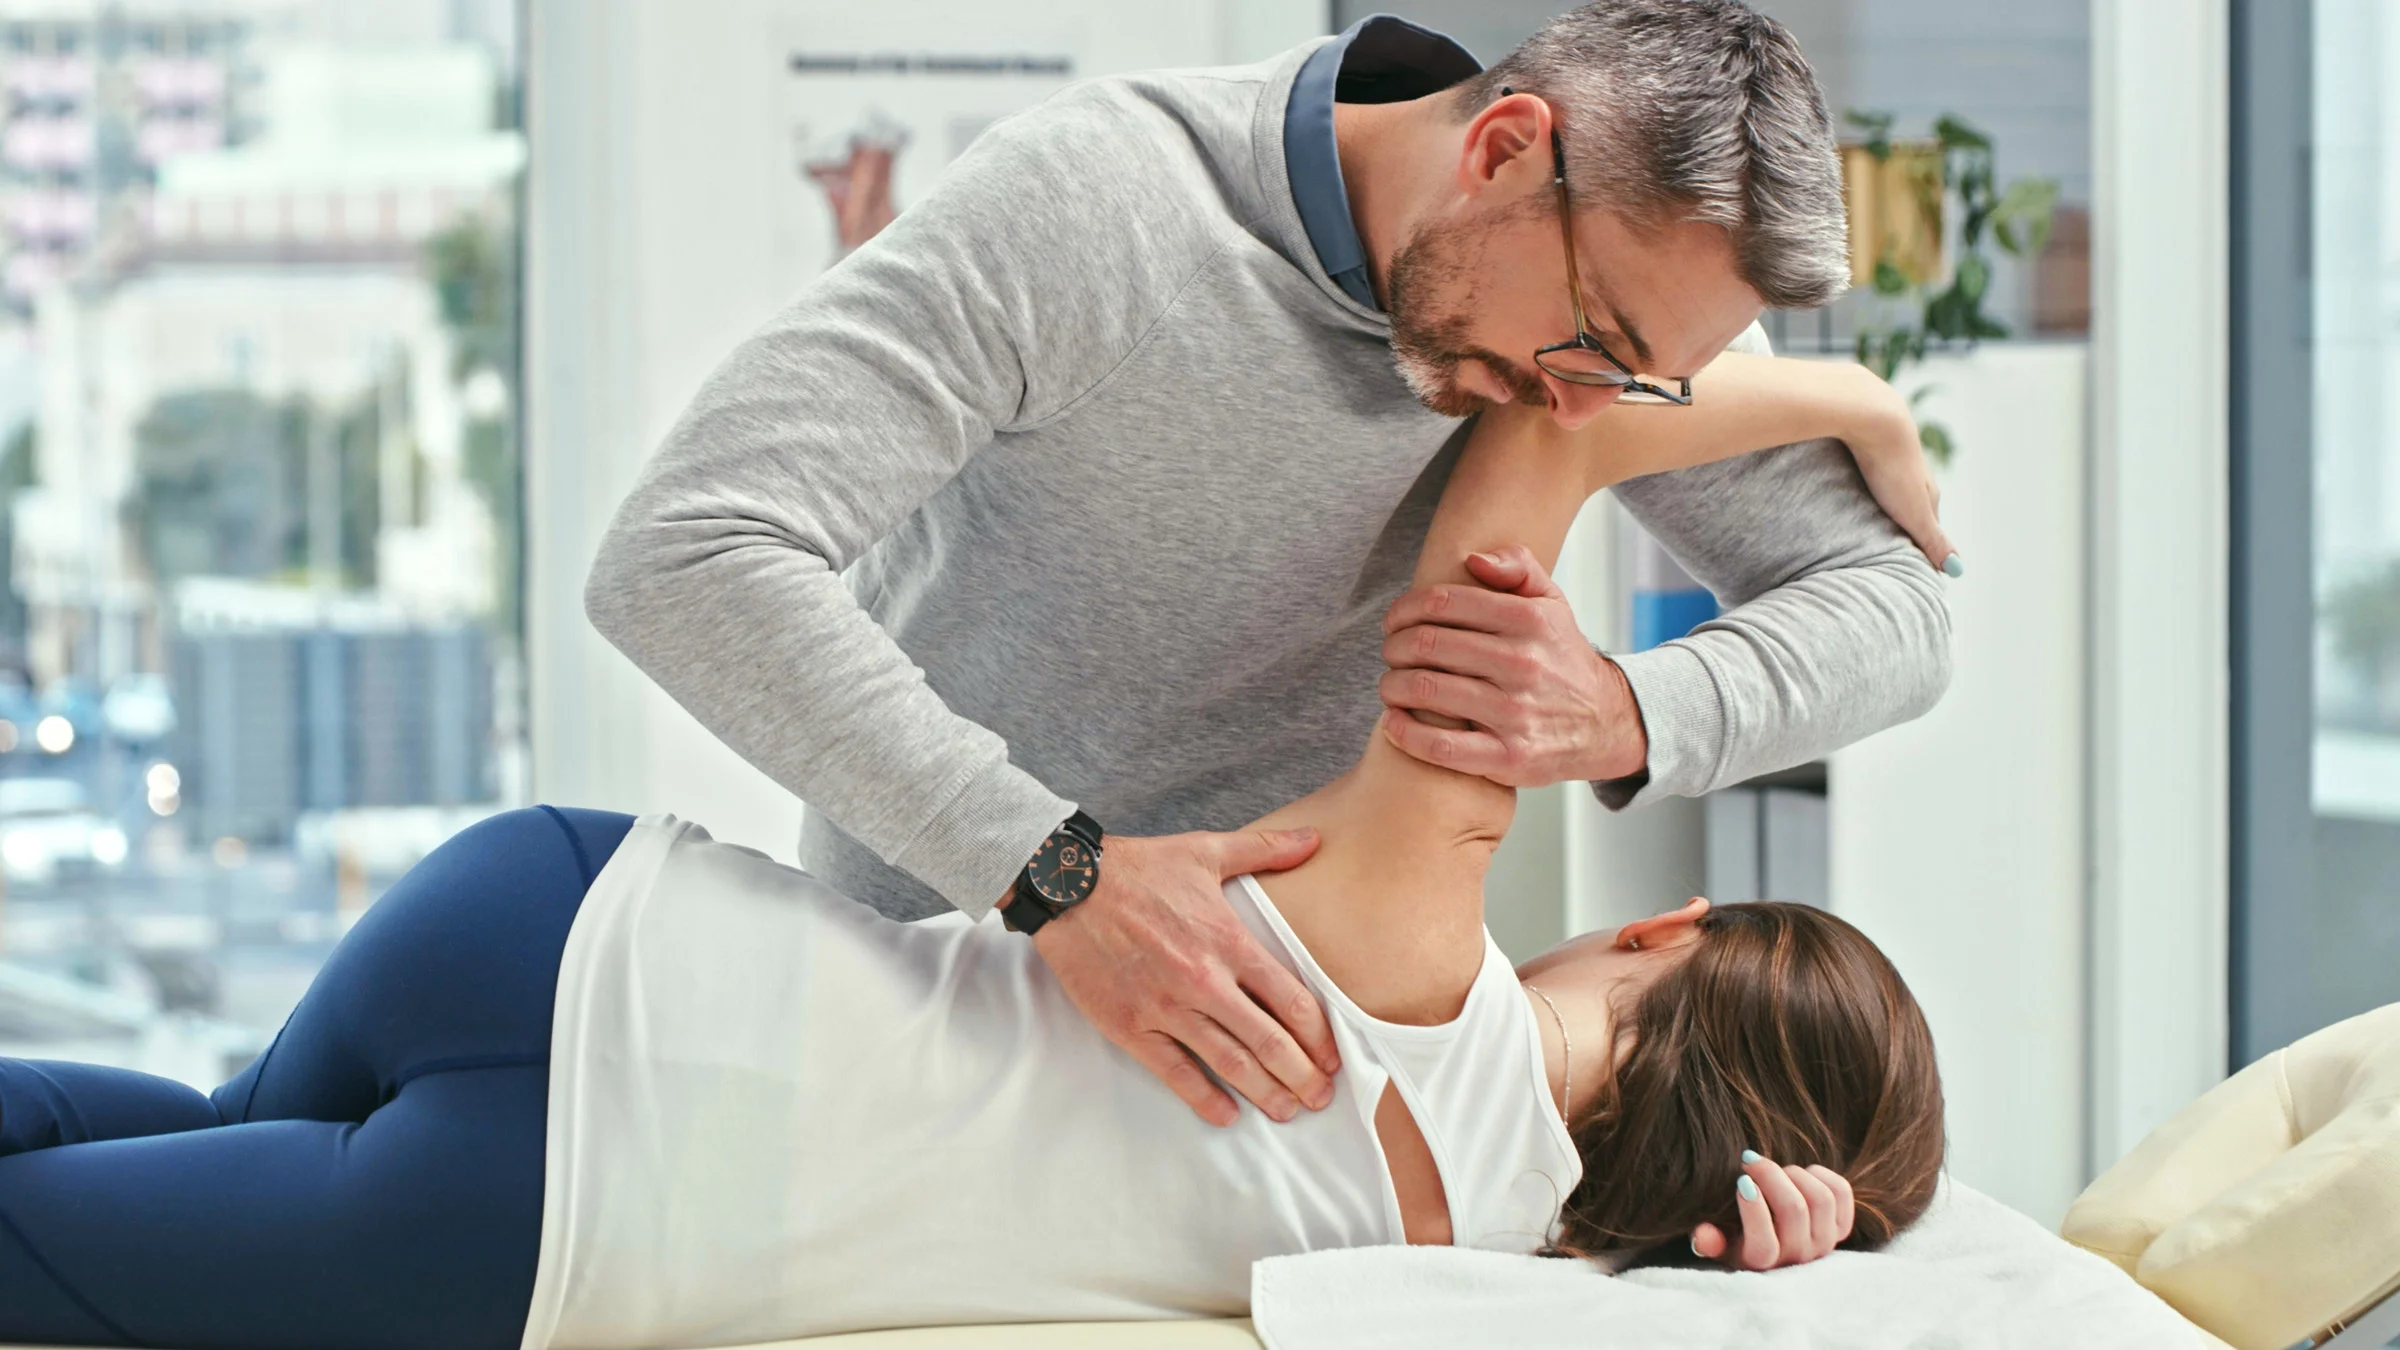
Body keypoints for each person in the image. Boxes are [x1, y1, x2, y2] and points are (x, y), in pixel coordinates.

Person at [0, 351, 1946, 1350]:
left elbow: (1562, 425)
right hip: (563, 1197)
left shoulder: (1418, 918)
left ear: (1674, 924)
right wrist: (1771, 1258)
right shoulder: (1494, 1279)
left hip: (568, 908)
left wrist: (1853, 392)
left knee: (181, 1129)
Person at [582, 1, 1955, 1133]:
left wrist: (1628, 710)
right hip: (925, 1025)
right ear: (1503, 149)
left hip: (1269, 1099)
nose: (1585, 413)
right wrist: (1053, 873)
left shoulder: (1624, 317)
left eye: (1647, 382)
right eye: (1598, 344)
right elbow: (688, 547)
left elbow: (1902, 617)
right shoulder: (1104, 207)